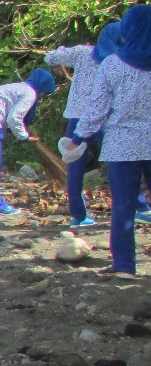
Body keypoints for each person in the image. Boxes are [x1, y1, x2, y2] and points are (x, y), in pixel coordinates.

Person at [74, 4, 151, 281]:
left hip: (122, 145)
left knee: (123, 207)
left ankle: (125, 265)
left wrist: (78, 137)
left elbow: (97, 109)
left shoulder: (113, 64)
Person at [46, 23, 149, 227]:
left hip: (77, 116)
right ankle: (139, 208)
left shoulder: (84, 52)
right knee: (120, 162)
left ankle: (78, 215)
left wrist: (60, 55)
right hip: (106, 118)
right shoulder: (122, 60)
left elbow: (50, 57)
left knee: (75, 167)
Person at [0, 67, 57, 215]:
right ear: (42, 87)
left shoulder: (18, 87)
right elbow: (14, 118)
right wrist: (25, 136)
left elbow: (7, 117)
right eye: (45, 93)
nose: (42, 96)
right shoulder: (30, 93)